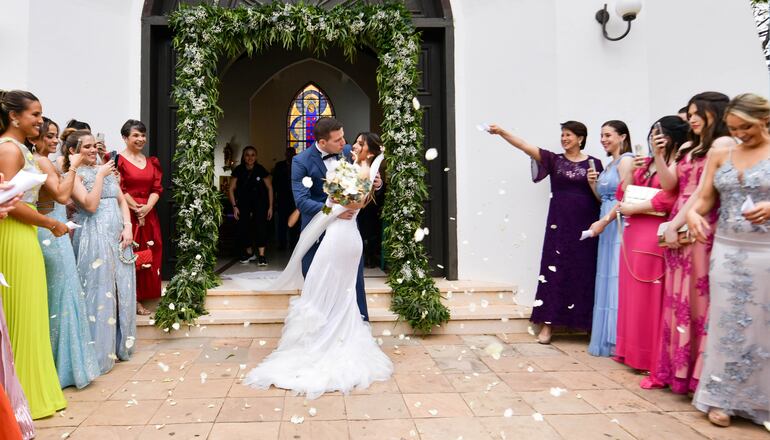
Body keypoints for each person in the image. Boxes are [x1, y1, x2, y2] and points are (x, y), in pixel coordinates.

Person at [244, 131, 392, 398]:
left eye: (357, 142)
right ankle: (326, 335)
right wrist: (333, 202)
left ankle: (332, 340)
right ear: (323, 141)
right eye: (346, 140)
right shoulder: (309, 161)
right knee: (325, 286)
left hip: (343, 236)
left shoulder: (358, 166)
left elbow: (358, 201)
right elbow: (306, 200)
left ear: (368, 151)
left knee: (336, 288)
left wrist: (340, 198)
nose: (349, 144)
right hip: (337, 233)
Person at [687, 93, 770, 427]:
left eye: (746, 128)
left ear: (764, 119)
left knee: (763, 325)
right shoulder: (721, 151)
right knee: (726, 323)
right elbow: (705, 198)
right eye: (734, 128)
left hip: (765, 252)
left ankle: (761, 400)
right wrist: (693, 214)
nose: (740, 135)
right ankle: (722, 399)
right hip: (726, 250)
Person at [648, 92, 736, 393]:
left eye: (697, 112)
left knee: (697, 298)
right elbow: (671, 184)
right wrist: (658, 155)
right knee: (676, 297)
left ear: (715, 113)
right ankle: (676, 370)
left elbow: (702, 192)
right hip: (679, 217)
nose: (692, 118)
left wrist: (676, 224)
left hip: (701, 221)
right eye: (690, 112)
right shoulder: (690, 146)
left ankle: (697, 374)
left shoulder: (723, 147)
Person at [488, 121, 603, 344]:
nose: (564, 138)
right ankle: (548, 325)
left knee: (584, 271)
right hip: (559, 225)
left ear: (580, 138)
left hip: (585, 225)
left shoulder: (594, 163)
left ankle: (586, 325)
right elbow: (523, 145)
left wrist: (593, 184)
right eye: (562, 135)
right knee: (554, 271)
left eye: (568, 135)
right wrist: (502, 131)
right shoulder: (554, 159)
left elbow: (601, 197)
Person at [0, 89, 68, 420]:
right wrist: (50, 222)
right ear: (15, 116)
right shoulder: (9, 150)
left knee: (32, 313)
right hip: (13, 236)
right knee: (20, 315)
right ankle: (19, 399)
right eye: (35, 115)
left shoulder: (22, 150)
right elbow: (10, 206)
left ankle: (33, 393)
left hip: (26, 235)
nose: (40, 121)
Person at [612, 116, 689, 372]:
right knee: (630, 293)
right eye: (653, 133)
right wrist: (630, 173)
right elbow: (623, 193)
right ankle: (629, 351)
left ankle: (649, 355)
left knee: (649, 292)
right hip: (633, 231)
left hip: (653, 232)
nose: (656, 138)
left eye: (661, 134)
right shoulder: (644, 163)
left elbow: (670, 197)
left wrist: (636, 207)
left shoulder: (677, 162)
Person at [33, 120, 100, 389]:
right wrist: (72, 168)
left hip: (55, 229)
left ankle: (62, 366)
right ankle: (64, 369)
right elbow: (60, 197)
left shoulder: (41, 161)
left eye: (53, 135)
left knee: (64, 294)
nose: (54, 140)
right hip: (52, 233)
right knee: (62, 296)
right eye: (48, 136)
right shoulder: (42, 162)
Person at [67, 131, 137, 373]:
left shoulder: (105, 169)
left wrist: (128, 227)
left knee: (122, 288)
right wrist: (100, 176)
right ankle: (99, 351)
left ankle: (121, 345)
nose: (93, 150)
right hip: (93, 235)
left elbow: (120, 200)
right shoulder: (74, 175)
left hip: (118, 234)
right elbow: (89, 204)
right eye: (86, 146)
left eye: (94, 146)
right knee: (100, 289)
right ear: (73, 151)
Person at [289, 117, 371, 321]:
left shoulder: (349, 152)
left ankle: (358, 323)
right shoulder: (300, 161)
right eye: (338, 140)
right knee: (316, 279)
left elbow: (365, 178)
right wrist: (335, 211)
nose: (345, 143)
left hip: (346, 230)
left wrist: (375, 184)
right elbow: (302, 202)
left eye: (344, 137)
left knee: (352, 278)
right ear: (322, 142)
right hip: (316, 230)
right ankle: (317, 328)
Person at [586, 120, 634, 356]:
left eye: (608, 135)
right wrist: (593, 184)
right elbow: (603, 197)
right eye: (601, 135)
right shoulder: (609, 164)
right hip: (605, 220)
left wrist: (605, 222)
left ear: (622, 136)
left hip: (617, 223)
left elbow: (625, 196)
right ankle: (606, 337)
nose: (603, 139)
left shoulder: (626, 161)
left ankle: (617, 340)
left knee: (617, 276)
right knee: (606, 276)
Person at [116, 119, 163, 315]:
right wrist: (136, 209)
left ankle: (145, 295)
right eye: (136, 135)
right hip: (128, 214)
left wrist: (147, 207)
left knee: (151, 253)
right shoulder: (118, 161)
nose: (141, 139)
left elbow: (156, 188)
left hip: (148, 214)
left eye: (143, 135)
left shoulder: (152, 162)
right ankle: (132, 300)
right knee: (131, 256)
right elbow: (119, 188)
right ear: (125, 138)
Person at [228, 146, 273, 265]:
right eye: (247, 155)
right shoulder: (238, 170)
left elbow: (270, 188)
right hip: (243, 204)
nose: (250, 157)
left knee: (260, 227)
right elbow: (231, 189)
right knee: (244, 227)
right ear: (243, 156)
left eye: (253, 155)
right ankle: (250, 253)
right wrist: (234, 206)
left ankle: (262, 256)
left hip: (260, 203)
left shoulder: (260, 169)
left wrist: (270, 207)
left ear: (256, 157)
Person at [354, 132, 386, 268]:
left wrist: (379, 187)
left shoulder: (375, 170)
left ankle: (370, 256)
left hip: (367, 216)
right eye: (356, 142)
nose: (354, 146)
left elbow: (379, 198)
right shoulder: (348, 163)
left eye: (360, 144)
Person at [272, 147, 299, 251]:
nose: (290, 155)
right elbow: (275, 183)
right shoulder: (279, 165)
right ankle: (282, 244)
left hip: (294, 199)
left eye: (292, 153)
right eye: (288, 153)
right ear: (285, 154)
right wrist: (274, 199)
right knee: (282, 223)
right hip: (282, 198)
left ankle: (293, 244)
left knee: (295, 223)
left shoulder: (297, 165)